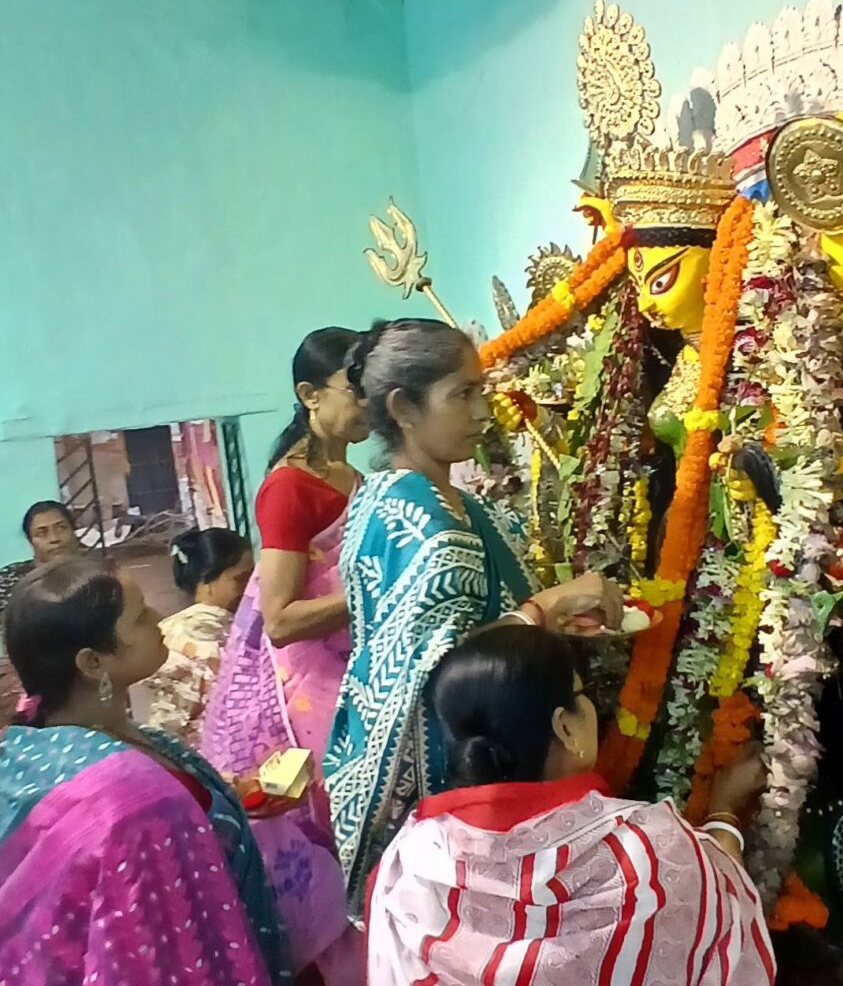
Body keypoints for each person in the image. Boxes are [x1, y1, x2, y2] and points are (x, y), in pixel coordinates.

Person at [324, 318, 625, 909]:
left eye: (482, 389)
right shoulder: (419, 520)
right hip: (452, 780)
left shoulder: (437, 499)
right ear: (404, 408)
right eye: (463, 394)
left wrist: (550, 619)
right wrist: (542, 610)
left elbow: (476, 620)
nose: (484, 411)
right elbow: (444, 668)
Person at [368, 625, 775, 986]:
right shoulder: (650, 855)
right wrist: (725, 812)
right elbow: (723, 913)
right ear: (565, 727)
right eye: (585, 694)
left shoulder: (412, 861)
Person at [0, 556, 290, 985]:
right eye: (139, 617)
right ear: (92, 663)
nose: (159, 618)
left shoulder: (39, 751)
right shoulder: (124, 796)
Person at [200, 327, 367, 984]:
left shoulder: (354, 475)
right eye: (356, 392)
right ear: (310, 394)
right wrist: (377, 588)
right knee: (337, 836)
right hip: (310, 691)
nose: (369, 406)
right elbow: (280, 618)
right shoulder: (288, 489)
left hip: (354, 670)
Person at [140, 528, 253, 746]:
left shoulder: (235, 624)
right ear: (205, 581)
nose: (251, 588)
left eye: (253, 577)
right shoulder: (184, 638)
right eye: (240, 579)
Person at [0, 501, 80, 728]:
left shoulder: (97, 574)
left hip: (88, 674)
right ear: (30, 541)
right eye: (42, 533)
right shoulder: (10, 579)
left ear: (74, 531)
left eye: (61, 528)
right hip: (25, 680)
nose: (54, 539)